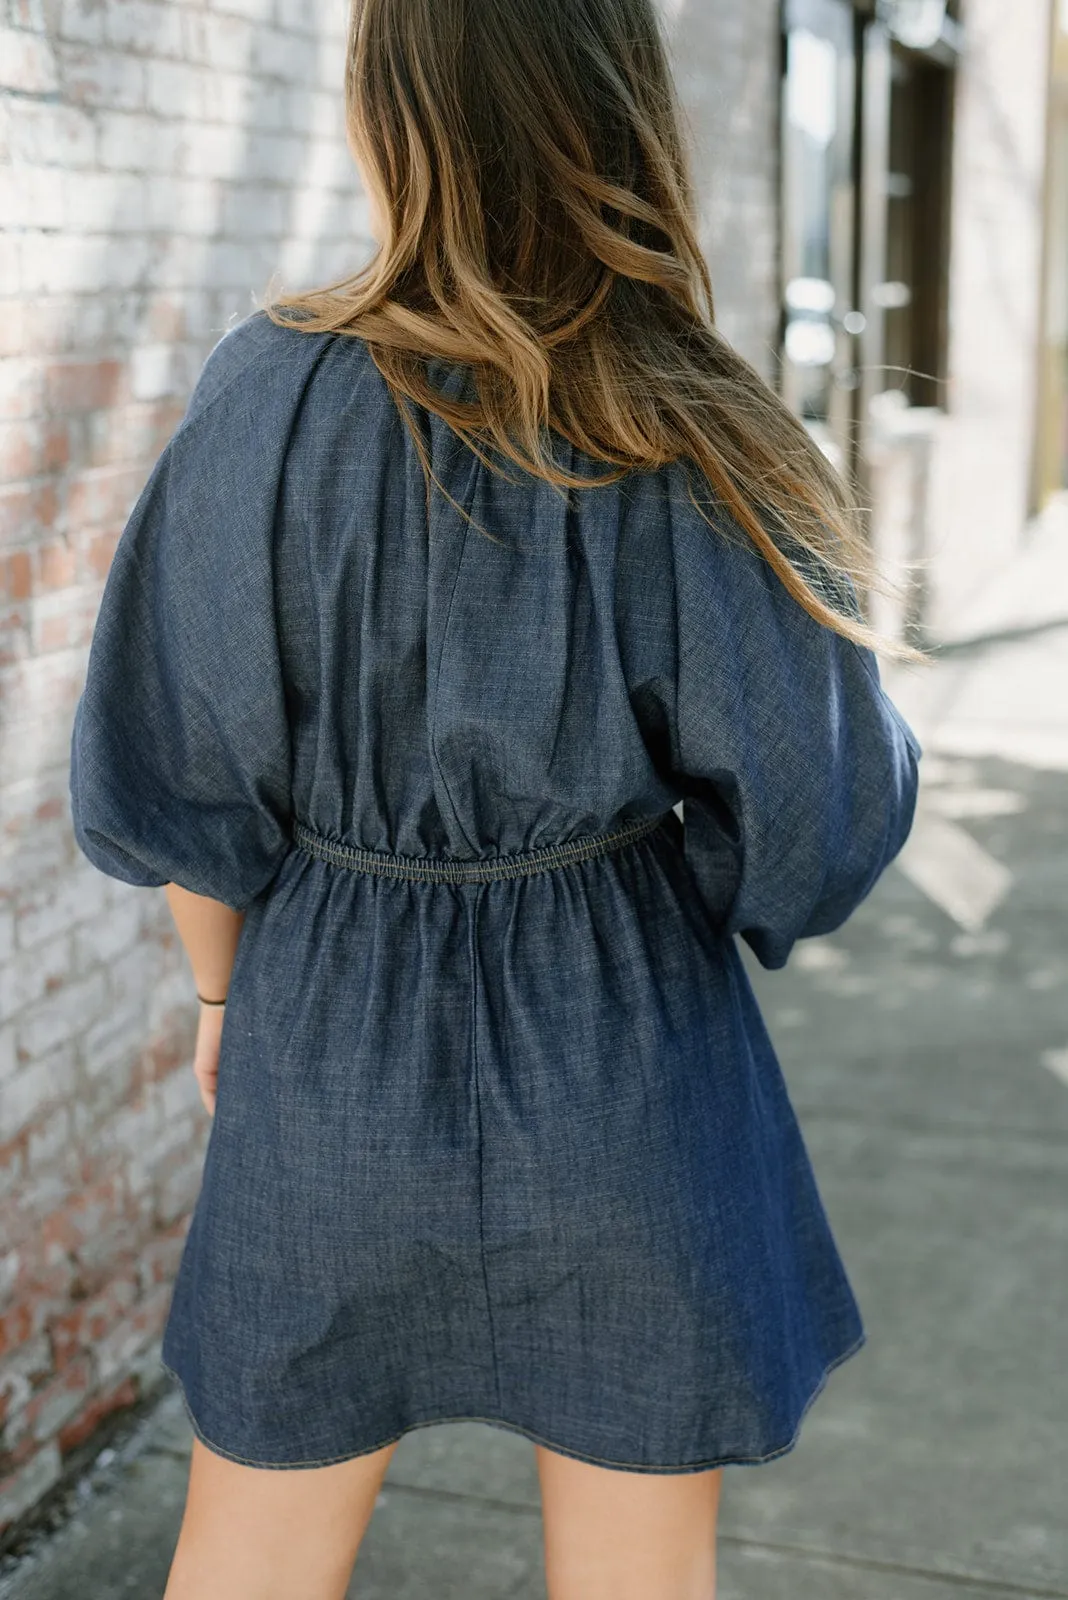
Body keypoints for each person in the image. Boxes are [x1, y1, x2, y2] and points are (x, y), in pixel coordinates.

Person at [68, 0, 928, 1595]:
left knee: (250, 1551)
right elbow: (820, 820)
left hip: (325, 1041)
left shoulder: (261, 396)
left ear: (388, 113)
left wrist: (217, 997)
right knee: (634, 1576)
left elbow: (184, 774)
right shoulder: (690, 417)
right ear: (625, 112)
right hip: (629, 1059)